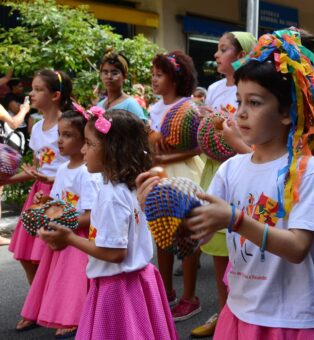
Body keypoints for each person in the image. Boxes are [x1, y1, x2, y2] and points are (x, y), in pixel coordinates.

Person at [140, 28, 314, 339]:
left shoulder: (305, 169)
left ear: (288, 113)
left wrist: (236, 220)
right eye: (239, 101)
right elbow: (198, 231)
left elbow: (298, 248)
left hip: (290, 320)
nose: (241, 113)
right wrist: (160, 201)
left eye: (255, 102)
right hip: (239, 311)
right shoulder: (231, 169)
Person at [39, 109, 178, 340]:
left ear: (113, 150)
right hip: (139, 281)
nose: (83, 150)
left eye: (90, 144)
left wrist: (69, 238)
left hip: (117, 288)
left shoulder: (111, 195)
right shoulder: (130, 185)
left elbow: (114, 253)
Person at [186, 31, 257, 337]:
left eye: (223, 49)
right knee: (218, 246)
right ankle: (224, 312)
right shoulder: (214, 88)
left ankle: (245, 315)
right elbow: (210, 132)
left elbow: (247, 137)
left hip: (244, 167)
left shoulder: (253, 88)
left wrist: (224, 130)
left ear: (243, 54)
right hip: (216, 169)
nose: (216, 55)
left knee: (245, 249)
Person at [16, 109, 101, 337]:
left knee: (74, 278)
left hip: (78, 236)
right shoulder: (63, 169)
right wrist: (45, 201)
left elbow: (93, 215)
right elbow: (59, 200)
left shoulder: (87, 173)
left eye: (67, 135)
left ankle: (74, 316)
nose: (59, 140)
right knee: (59, 276)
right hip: (64, 232)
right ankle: (61, 313)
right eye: (59, 134)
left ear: (84, 141)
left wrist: (66, 226)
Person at [148, 50, 205, 316]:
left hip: (185, 175)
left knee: (187, 233)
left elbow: (197, 148)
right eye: (153, 74)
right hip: (160, 174)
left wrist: (166, 155)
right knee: (162, 232)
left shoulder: (188, 107)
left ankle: (190, 296)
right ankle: (166, 291)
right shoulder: (153, 108)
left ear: (175, 78)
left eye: (160, 75)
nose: (154, 79)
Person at [2, 70, 71, 284]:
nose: (31, 94)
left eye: (38, 90)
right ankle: (36, 301)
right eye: (32, 88)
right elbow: (37, 169)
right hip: (38, 193)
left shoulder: (66, 125)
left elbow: (79, 163)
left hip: (60, 195)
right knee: (26, 254)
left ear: (55, 96)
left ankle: (46, 305)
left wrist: (55, 180)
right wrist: (6, 180)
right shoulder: (37, 125)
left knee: (48, 254)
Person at [95, 50, 146, 120]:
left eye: (114, 73)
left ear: (125, 76)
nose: (109, 76)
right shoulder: (100, 105)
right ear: (100, 75)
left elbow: (142, 129)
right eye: (105, 72)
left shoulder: (130, 104)